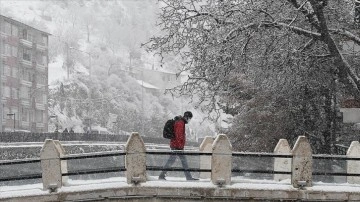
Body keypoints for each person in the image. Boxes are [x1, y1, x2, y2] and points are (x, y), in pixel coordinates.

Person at [158, 111, 198, 181]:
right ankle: (188, 177)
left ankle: (162, 175)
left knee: (173, 161)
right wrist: (180, 147)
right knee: (181, 162)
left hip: (176, 145)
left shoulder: (180, 122)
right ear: (186, 117)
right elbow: (178, 136)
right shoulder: (180, 123)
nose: (189, 120)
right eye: (189, 118)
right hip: (177, 146)